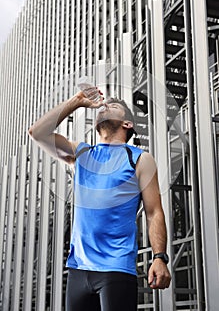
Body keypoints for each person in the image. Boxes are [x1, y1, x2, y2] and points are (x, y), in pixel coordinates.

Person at [28, 85, 171, 311]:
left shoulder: (140, 159)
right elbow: (37, 133)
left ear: (128, 124)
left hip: (116, 268)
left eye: (113, 107)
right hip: (78, 269)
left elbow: (154, 212)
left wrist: (160, 257)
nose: (104, 108)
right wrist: (76, 100)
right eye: (103, 107)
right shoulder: (82, 153)